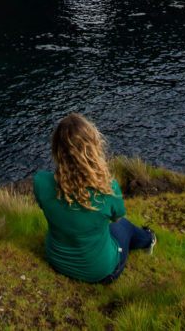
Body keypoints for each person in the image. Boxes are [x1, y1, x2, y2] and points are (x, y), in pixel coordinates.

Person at [33, 113, 156, 284]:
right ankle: (149, 239)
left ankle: (147, 238)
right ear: (92, 149)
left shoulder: (41, 182)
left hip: (57, 261)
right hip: (101, 272)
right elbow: (117, 217)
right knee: (124, 226)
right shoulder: (108, 189)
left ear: (57, 148)